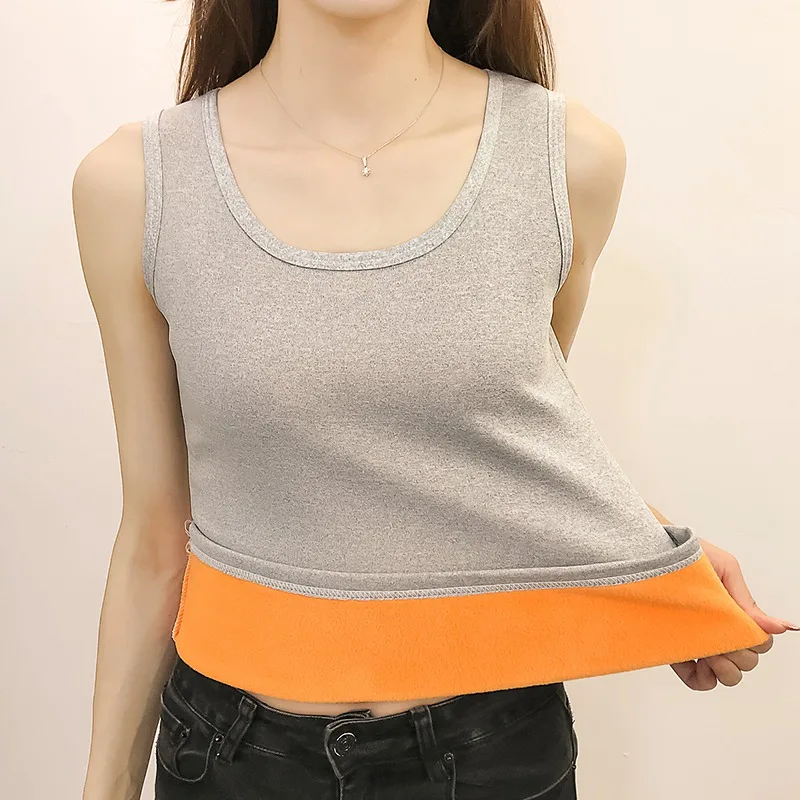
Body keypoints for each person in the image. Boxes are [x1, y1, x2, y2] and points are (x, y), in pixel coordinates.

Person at [72, 1, 797, 798]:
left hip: (495, 751)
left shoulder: (567, 159)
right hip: (229, 759)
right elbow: (155, 533)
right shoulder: (136, 183)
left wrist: (636, 544)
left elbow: (483, 446)